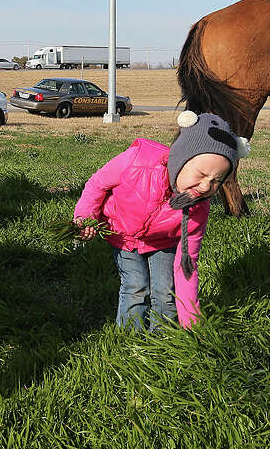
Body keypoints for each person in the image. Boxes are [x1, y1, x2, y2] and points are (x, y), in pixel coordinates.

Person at [73, 111, 250, 332]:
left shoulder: (197, 208)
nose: (206, 187)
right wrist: (86, 218)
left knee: (166, 290)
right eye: (202, 174)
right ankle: (130, 338)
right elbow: (97, 184)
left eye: (216, 181)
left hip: (162, 241)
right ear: (181, 159)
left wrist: (191, 325)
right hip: (123, 235)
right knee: (136, 286)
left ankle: (163, 338)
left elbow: (188, 267)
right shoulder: (137, 161)